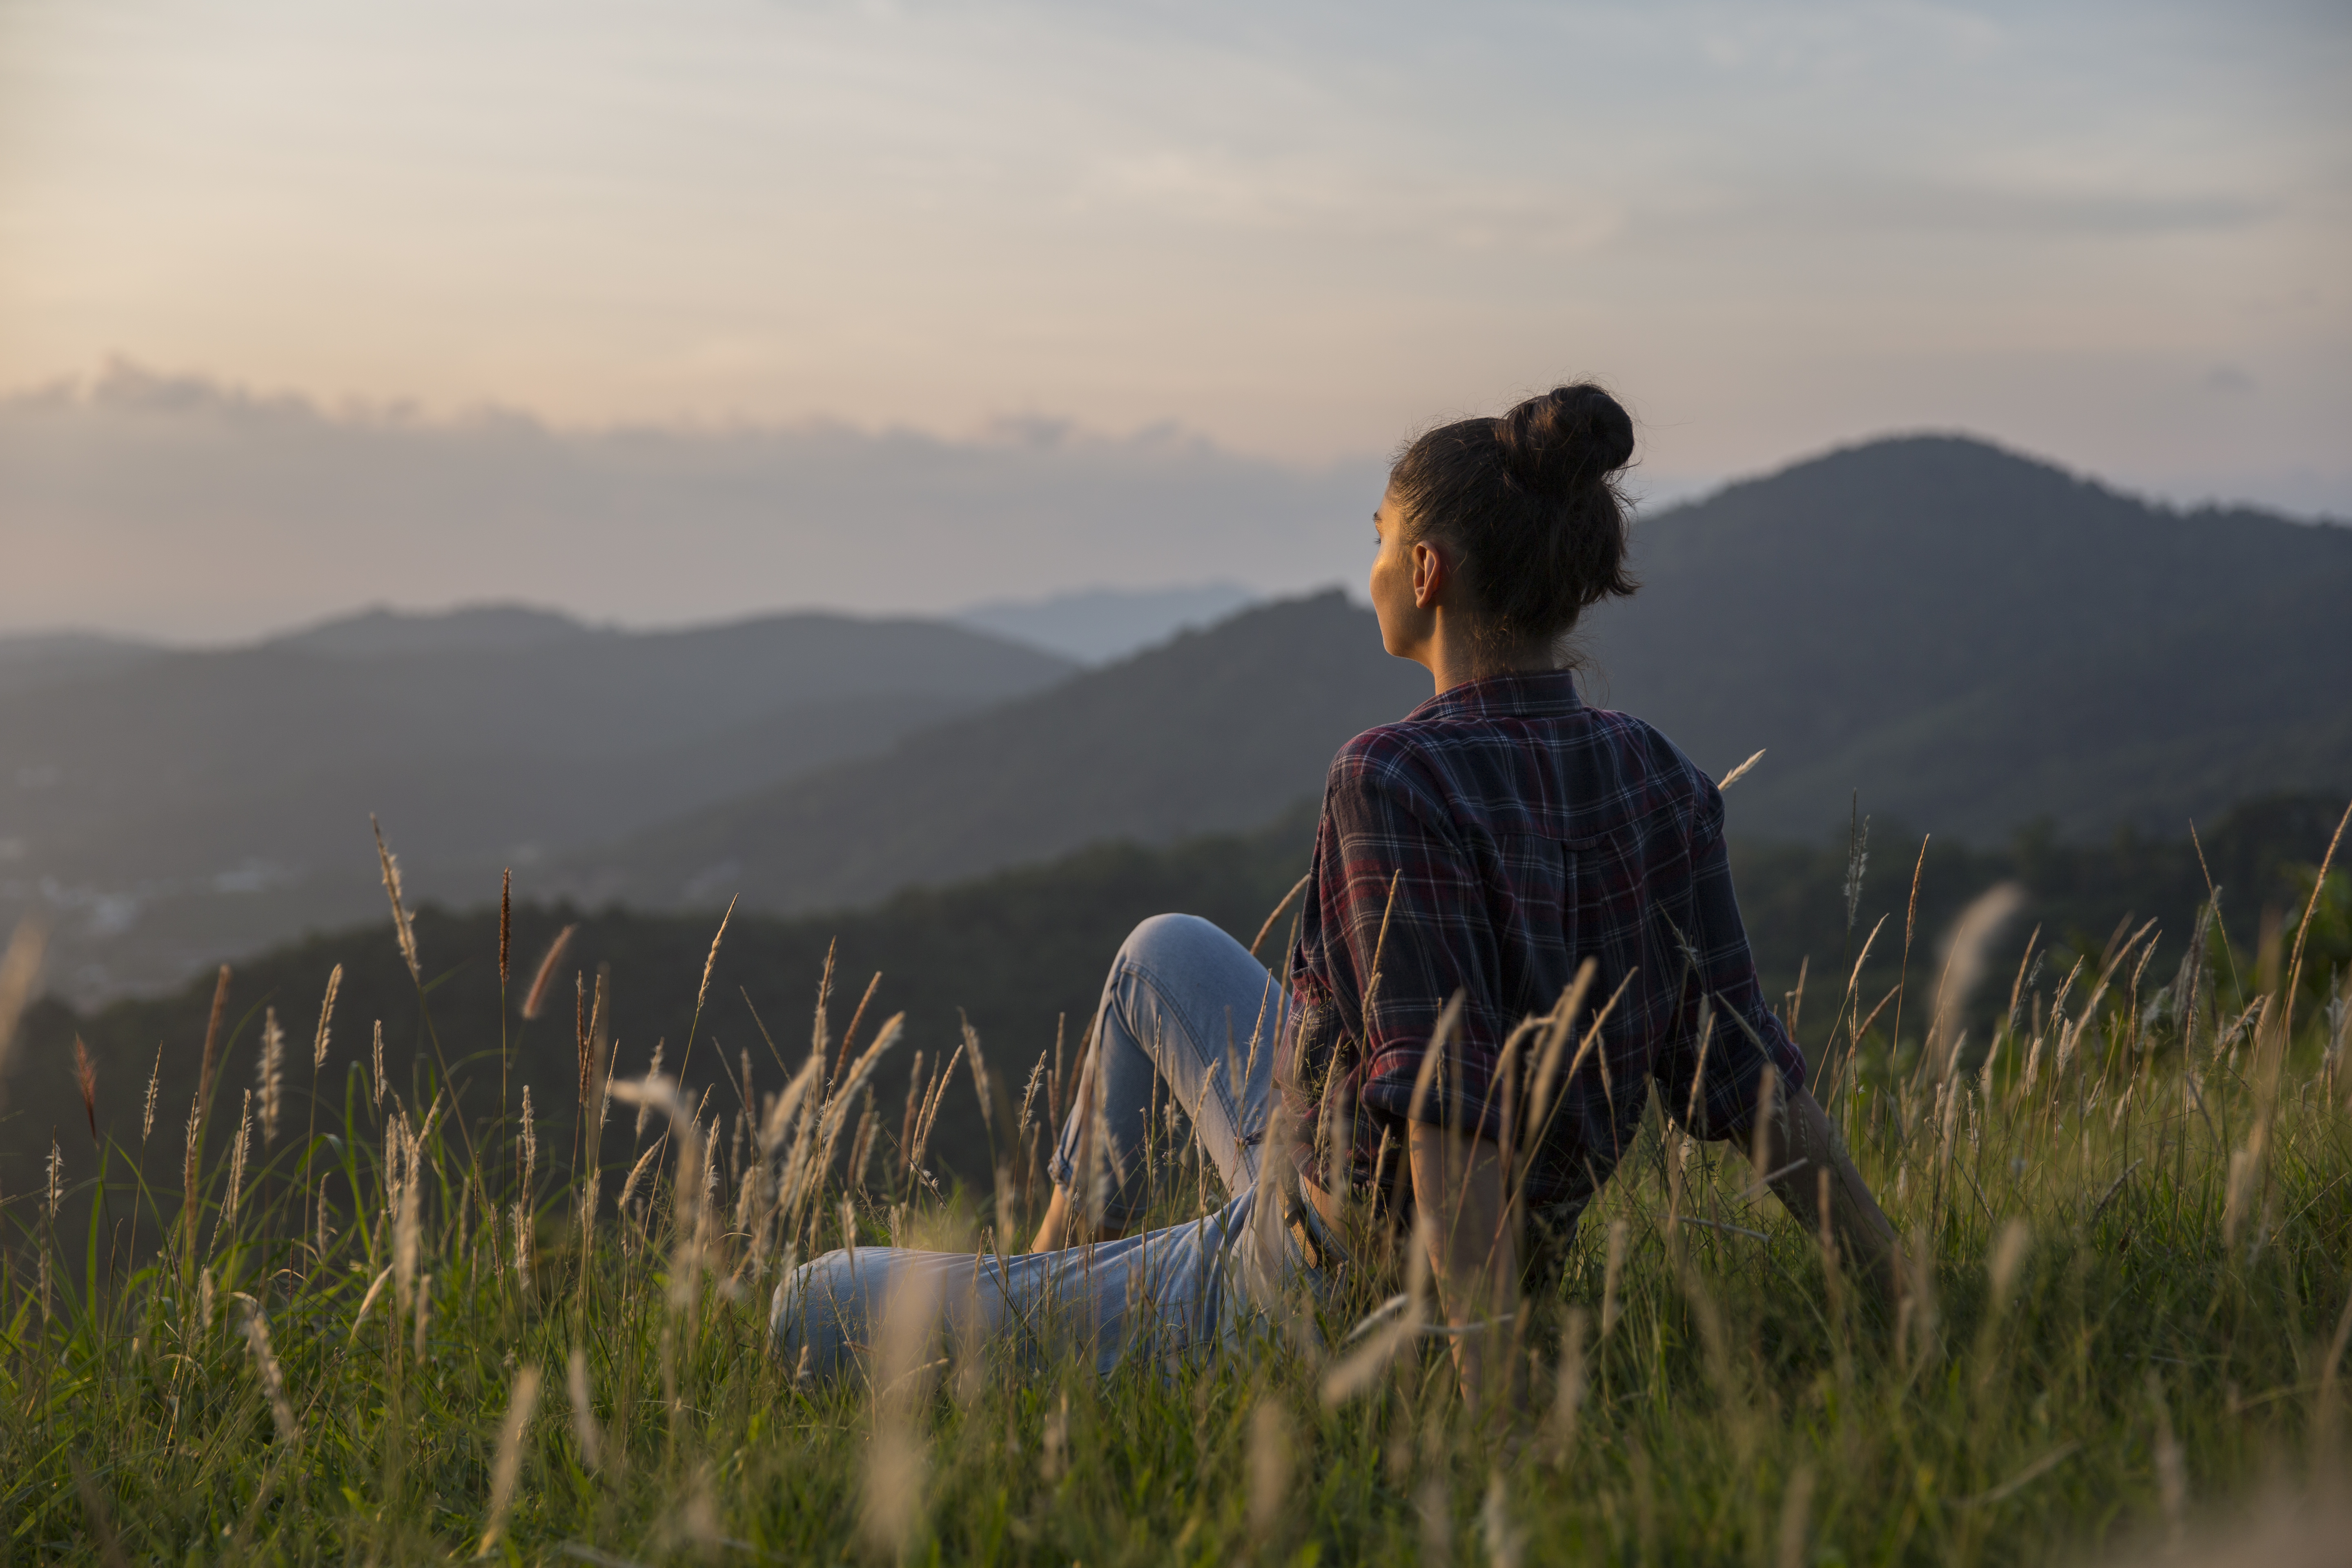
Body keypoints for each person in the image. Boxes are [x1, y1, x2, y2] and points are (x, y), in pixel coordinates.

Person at [773, 383, 1898, 1395]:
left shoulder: (1393, 778)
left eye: (1379, 539)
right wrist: (1899, 1300)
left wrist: (1495, 1421)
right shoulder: (1656, 771)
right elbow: (1757, 1080)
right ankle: (1055, 1269)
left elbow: (1451, 1121)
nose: (1368, 566)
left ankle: (1049, 1316)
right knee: (1158, 949)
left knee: (810, 1308)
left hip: (1317, 1281)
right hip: (1373, 1191)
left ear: (1425, 573)